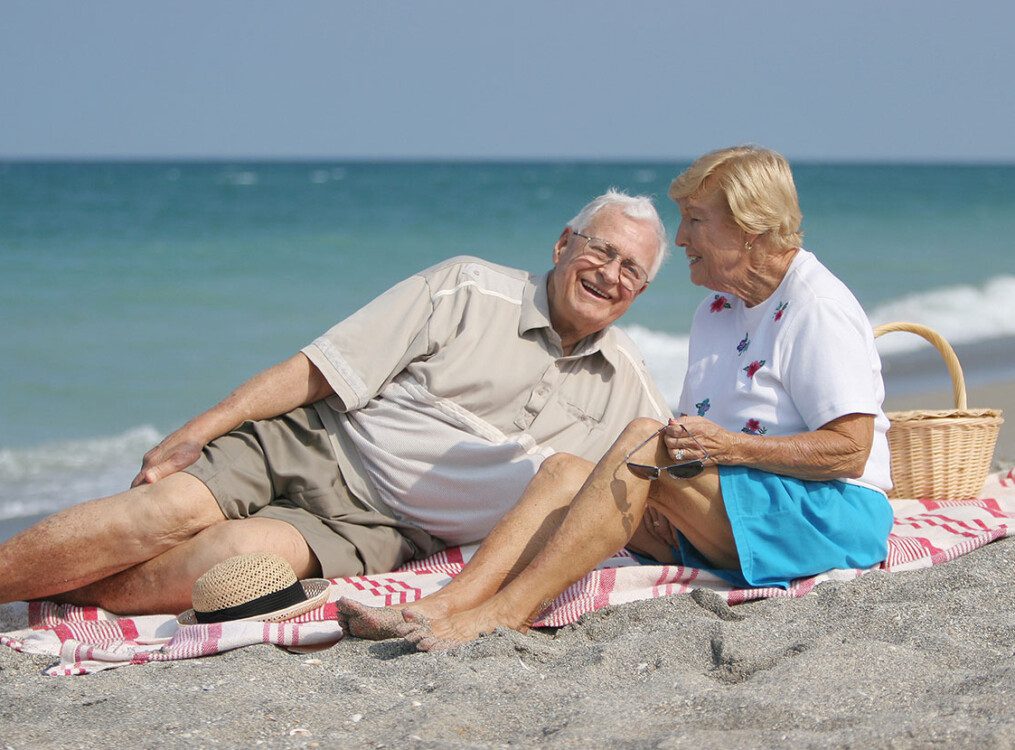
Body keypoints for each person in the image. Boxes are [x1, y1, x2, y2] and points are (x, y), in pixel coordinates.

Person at [0, 189, 671, 615]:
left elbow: (670, 485)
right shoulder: (466, 289)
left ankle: (60, 591)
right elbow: (318, 370)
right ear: (563, 245)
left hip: (380, 531)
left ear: (639, 293)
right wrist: (199, 427)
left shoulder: (627, 384)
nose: (609, 274)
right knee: (158, 514)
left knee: (227, 560)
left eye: (629, 270)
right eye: (599, 250)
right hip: (318, 441)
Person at [340, 145, 895, 650]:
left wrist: (728, 451)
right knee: (562, 472)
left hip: (828, 513)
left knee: (638, 440)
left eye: (696, 221)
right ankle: (439, 605)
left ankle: (505, 612)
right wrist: (668, 493)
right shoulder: (717, 311)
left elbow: (848, 450)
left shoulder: (816, 307)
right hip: (745, 504)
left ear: (748, 230)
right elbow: (701, 440)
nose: (680, 240)